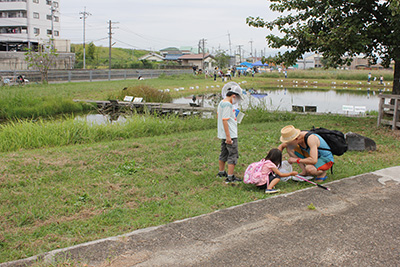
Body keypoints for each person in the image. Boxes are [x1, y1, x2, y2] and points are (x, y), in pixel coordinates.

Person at [216, 84, 244, 183]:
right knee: (233, 155)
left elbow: (219, 116)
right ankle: (230, 177)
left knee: (223, 153)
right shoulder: (228, 104)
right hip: (230, 135)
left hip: (224, 134)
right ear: (233, 96)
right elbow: (225, 120)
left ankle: (221, 172)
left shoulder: (221, 103)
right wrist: (229, 136)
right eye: (237, 98)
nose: (237, 101)